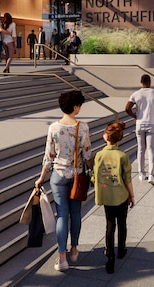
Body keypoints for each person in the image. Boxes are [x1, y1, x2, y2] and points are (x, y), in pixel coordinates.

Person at [34, 90, 92, 273]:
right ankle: (74, 250)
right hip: (77, 176)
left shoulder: (53, 128)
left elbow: (48, 157)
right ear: (75, 107)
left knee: (62, 215)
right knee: (75, 214)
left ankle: (62, 258)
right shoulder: (83, 127)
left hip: (58, 176)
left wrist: (41, 178)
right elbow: (87, 155)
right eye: (80, 105)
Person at [92, 121, 135, 274]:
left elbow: (95, 175)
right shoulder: (122, 156)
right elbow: (127, 178)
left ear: (107, 137)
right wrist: (132, 195)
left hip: (107, 195)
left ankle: (110, 256)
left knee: (109, 225)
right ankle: (121, 249)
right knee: (122, 222)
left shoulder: (99, 155)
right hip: (121, 194)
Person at [125, 74, 154, 185]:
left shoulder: (136, 94)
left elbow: (127, 108)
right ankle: (152, 175)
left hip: (140, 124)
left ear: (141, 82)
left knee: (141, 149)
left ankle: (141, 173)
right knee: (151, 150)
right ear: (150, 82)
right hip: (152, 124)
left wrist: (135, 116)